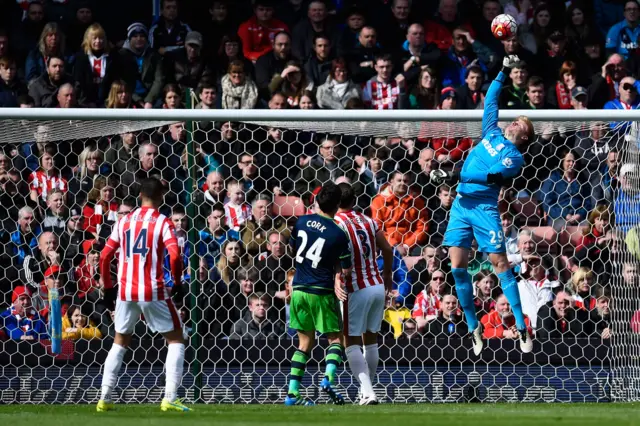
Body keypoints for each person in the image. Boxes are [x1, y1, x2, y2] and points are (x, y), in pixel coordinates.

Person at [430, 54, 535, 355]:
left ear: (523, 135)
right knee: (457, 267)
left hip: (485, 209)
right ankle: (474, 327)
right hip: (462, 206)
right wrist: (503, 71)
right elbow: (490, 99)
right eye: (515, 119)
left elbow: (486, 176)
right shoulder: (491, 131)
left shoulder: (515, 158)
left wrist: (451, 174)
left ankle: (521, 326)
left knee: (500, 264)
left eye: (520, 123)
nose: (514, 121)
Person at [96, 177, 190, 412]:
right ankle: (170, 397)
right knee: (176, 339)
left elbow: (105, 256)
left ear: (140, 196)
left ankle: (104, 398)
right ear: (161, 197)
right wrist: (177, 282)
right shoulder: (163, 222)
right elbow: (176, 255)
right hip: (152, 290)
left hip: (125, 291)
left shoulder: (124, 221)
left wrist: (108, 287)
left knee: (120, 341)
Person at [285, 182, 352, 406]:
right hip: (321, 290)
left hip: (298, 289)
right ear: (338, 205)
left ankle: (292, 394)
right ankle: (328, 379)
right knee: (336, 339)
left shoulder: (301, 221)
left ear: (317, 201)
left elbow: (294, 249)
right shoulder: (338, 234)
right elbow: (346, 268)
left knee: (304, 343)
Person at [334, 183, 393, 406]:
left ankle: (368, 393)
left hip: (355, 288)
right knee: (371, 341)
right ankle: (367, 389)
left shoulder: (337, 223)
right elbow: (387, 249)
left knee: (350, 342)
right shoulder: (369, 220)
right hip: (376, 285)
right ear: (354, 199)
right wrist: (387, 274)